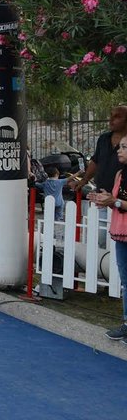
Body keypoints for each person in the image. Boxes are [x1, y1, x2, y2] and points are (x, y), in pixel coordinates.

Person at [86, 134, 127, 343]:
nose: (119, 151)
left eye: (124, 147)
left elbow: (120, 202)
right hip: (121, 232)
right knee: (126, 281)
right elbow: (116, 200)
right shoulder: (120, 174)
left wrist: (116, 202)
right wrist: (105, 201)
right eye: (120, 147)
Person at [71, 106, 127, 195]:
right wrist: (84, 180)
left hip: (122, 198)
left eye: (117, 116)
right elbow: (95, 161)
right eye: (111, 115)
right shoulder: (103, 138)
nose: (111, 119)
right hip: (101, 195)